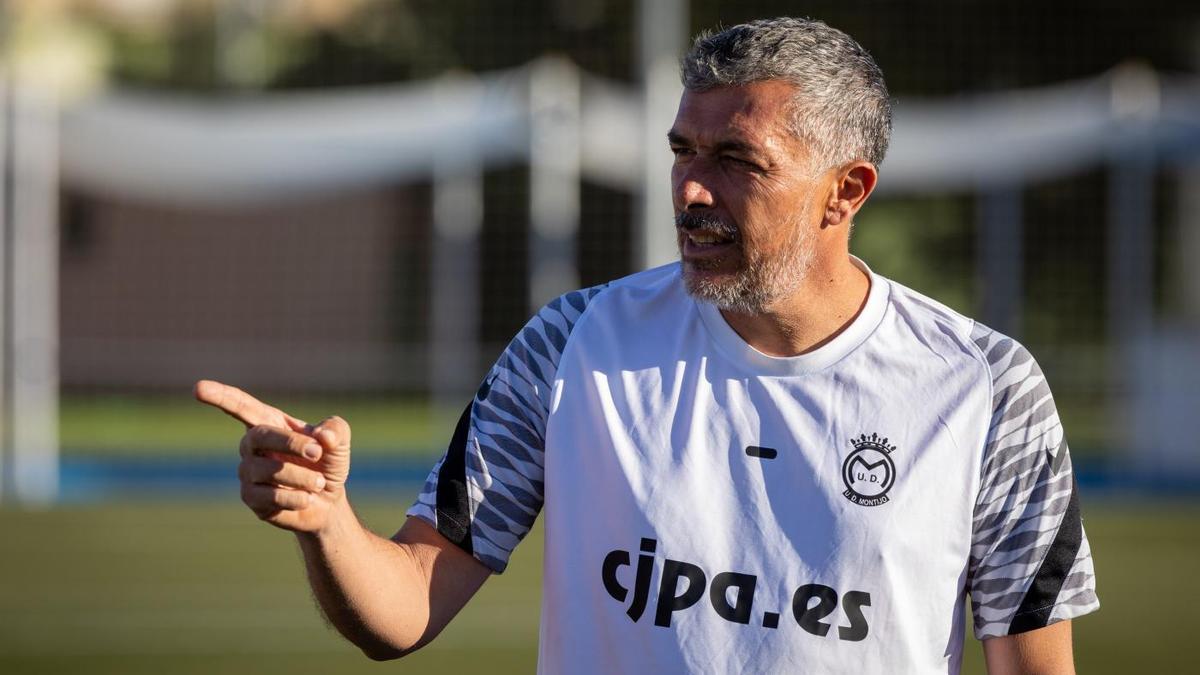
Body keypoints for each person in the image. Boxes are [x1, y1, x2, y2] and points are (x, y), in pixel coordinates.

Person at [196, 16, 1098, 674]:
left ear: (845, 190)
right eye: (682, 152)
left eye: (737, 162)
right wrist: (325, 522)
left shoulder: (986, 388)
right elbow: (401, 609)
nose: (692, 192)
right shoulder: (572, 344)